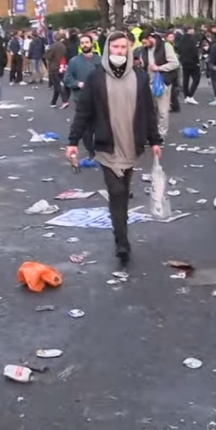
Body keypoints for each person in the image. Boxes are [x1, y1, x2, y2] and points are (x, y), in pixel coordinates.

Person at [66, 31, 162, 266]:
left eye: (123, 48)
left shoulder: (139, 77)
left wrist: (155, 140)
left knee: (123, 191)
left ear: (128, 49)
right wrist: (72, 142)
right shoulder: (96, 77)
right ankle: (122, 242)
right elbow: (84, 112)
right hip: (106, 146)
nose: (119, 51)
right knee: (117, 192)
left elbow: (148, 111)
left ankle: (121, 225)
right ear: (108, 49)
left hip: (131, 144)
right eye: (115, 47)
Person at [138, 28, 180, 136]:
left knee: (162, 110)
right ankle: (152, 132)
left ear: (150, 38)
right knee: (150, 110)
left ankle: (162, 133)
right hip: (148, 82)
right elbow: (145, 64)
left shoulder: (165, 47)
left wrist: (159, 68)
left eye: (145, 42)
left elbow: (175, 63)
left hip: (162, 81)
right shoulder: (145, 50)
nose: (144, 45)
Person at [65, 35, 103, 155]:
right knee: (86, 127)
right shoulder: (74, 61)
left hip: (100, 98)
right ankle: (91, 151)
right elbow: (67, 79)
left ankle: (101, 149)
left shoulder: (101, 60)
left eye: (87, 42)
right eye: (82, 43)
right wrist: (78, 83)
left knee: (101, 125)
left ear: (92, 44)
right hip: (81, 98)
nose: (85, 45)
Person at [45, 31, 70, 108]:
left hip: (54, 67)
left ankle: (64, 100)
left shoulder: (52, 47)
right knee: (58, 84)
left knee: (57, 84)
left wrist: (47, 51)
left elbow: (48, 57)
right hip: (62, 66)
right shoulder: (63, 46)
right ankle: (53, 102)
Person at [179, 26, 202, 105]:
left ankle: (186, 96)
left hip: (184, 61)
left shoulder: (181, 39)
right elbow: (195, 51)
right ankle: (190, 95)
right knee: (196, 79)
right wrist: (197, 61)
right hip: (192, 62)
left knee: (186, 79)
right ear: (190, 30)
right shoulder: (193, 39)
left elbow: (179, 49)